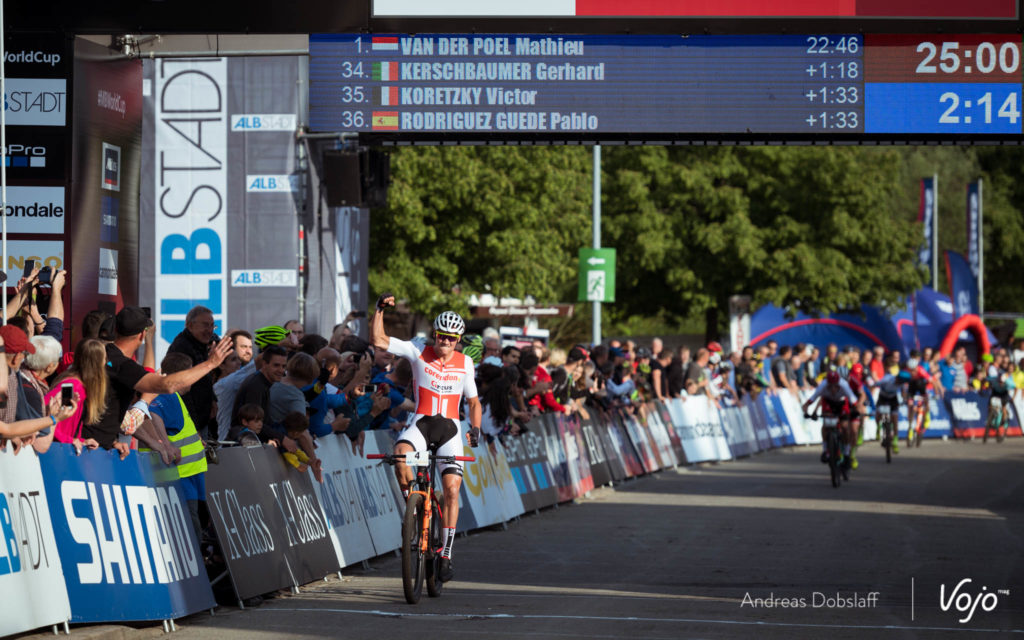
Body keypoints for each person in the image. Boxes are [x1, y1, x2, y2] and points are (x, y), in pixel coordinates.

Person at [371, 294, 481, 584]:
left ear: (458, 339)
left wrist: (476, 428)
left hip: (450, 431)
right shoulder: (417, 349)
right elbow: (379, 340)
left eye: (451, 338)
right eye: (441, 335)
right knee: (400, 456)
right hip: (420, 425)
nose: (445, 341)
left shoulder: (466, 362)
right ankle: (413, 511)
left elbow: (473, 402)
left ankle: (446, 554)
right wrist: (379, 310)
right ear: (434, 334)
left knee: (452, 489)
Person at [89, 306, 233, 458]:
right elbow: (167, 385)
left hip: (99, 447)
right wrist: (211, 363)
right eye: (205, 324)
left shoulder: (109, 357)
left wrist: (153, 443)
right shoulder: (121, 364)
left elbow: (146, 379)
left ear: (116, 330)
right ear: (142, 335)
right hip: (94, 451)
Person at [147, 352, 210, 541]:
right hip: (180, 476)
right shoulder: (167, 395)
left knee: (195, 524)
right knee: (190, 529)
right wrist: (165, 445)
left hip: (187, 474)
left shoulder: (174, 396)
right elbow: (153, 412)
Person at [167, 305, 219, 441]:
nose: (210, 331)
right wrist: (194, 428)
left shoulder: (199, 344)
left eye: (212, 326)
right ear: (190, 326)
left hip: (201, 419)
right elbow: (183, 391)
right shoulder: (182, 348)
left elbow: (203, 378)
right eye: (205, 325)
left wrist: (212, 399)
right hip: (188, 424)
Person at [802, 370, 861, 470]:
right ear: (827, 384)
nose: (833, 388)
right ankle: (826, 450)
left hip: (842, 403)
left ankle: (847, 453)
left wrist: (856, 412)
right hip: (828, 402)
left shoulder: (844, 385)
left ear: (838, 384)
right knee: (826, 425)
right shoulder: (823, 386)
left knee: (845, 427)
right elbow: (811, 400)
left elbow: (854, 402)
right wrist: (806, 411)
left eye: (835, 386)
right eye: (831, 386)